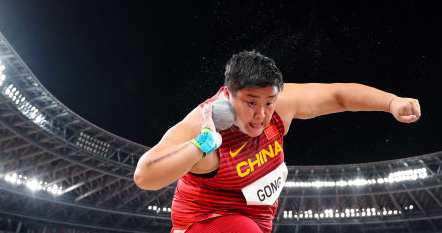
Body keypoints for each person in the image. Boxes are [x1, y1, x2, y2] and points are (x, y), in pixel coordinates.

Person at [133, 50, 421, 233]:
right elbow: (145, 175)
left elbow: (338, 96)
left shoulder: (281, 106)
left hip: (259, 221)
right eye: (251, 102)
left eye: (268, 102)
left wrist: (391, 102)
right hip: (205, 221)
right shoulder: (201, 123)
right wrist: (203, 143)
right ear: (228, 95)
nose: (261, 115)